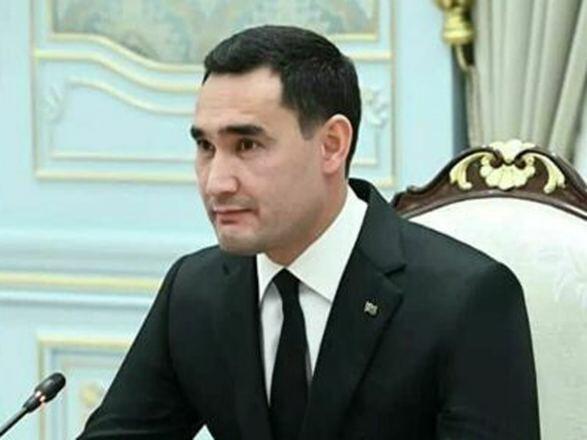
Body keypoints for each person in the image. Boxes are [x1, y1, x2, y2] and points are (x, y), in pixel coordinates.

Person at [78, 25, 539, 439]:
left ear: (332, 145)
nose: (216, 182)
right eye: (205, 146)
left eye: (247, 145)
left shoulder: (466, 298)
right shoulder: (194, 290)